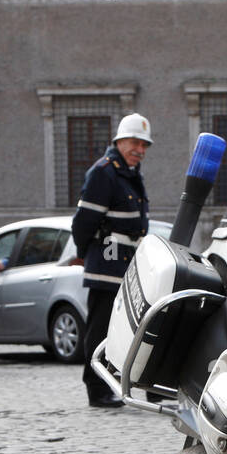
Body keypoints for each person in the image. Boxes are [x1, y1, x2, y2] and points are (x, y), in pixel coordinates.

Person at [71, 112, 152, 407]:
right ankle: (96, 388)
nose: (139, 150)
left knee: (121, 330)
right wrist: (86, 254)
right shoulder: (104, 172)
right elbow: (83, 224)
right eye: (134, 143)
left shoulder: (130, 173)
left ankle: (114, 383)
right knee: (100, 329)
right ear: (119, 141)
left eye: (144, 145)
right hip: (106, 264)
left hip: (126, 263)